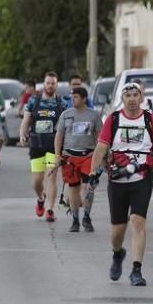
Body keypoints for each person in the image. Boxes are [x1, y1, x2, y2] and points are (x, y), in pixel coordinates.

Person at [89, 82, 153, 286]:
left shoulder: (150, 120)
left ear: (141, 97)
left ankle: (136, 270)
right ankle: (118, 253)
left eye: (136, 95)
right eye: (129, 95)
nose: (133, 99)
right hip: (117, 180)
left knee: (138, 221)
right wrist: (93, 172)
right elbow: (101, 148)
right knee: (118, 231)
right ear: (123, 98)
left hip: (142, 179)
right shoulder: (114, 119)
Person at [55, 86, 103, 233]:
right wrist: (57, 155)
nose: (73, 99)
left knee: (89, 187)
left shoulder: (93, 115)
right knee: (73, 189)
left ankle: (87, 217)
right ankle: (75, 220)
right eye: (72, 97)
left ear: (83, 99)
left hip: (88, 156)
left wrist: (102, 157)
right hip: (69, 157)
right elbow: (59, 136)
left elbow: (101, 137)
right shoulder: (65, 115)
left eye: (76, 97)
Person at [19, 72, 63, 222]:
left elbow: (66, 125)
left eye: (53, 83)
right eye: (48, 83)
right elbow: (25, 121)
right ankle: (41, 198)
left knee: (52, 177)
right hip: (37, 145)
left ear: (56, 85)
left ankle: (50, 209)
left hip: (54, 145)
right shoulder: (33, 101)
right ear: (43, 84)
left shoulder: (61, 103)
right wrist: (22, 135)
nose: (50, 86)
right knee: (36, 182)